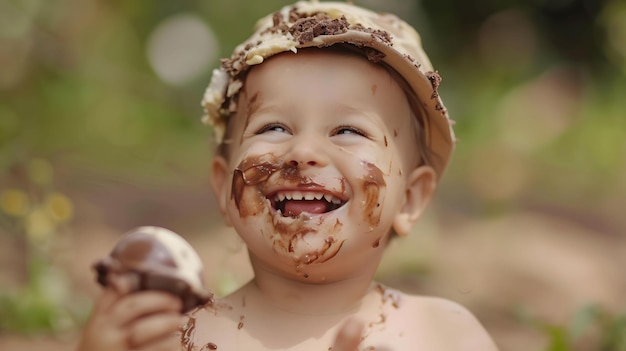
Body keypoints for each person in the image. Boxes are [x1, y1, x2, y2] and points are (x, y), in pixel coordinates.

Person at [77, 1, 499, 350]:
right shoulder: (178, 338)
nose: (303, 152)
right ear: (224, 186)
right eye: (273, 127)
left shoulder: (442, 335)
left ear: (410, 198)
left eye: (347, 130)